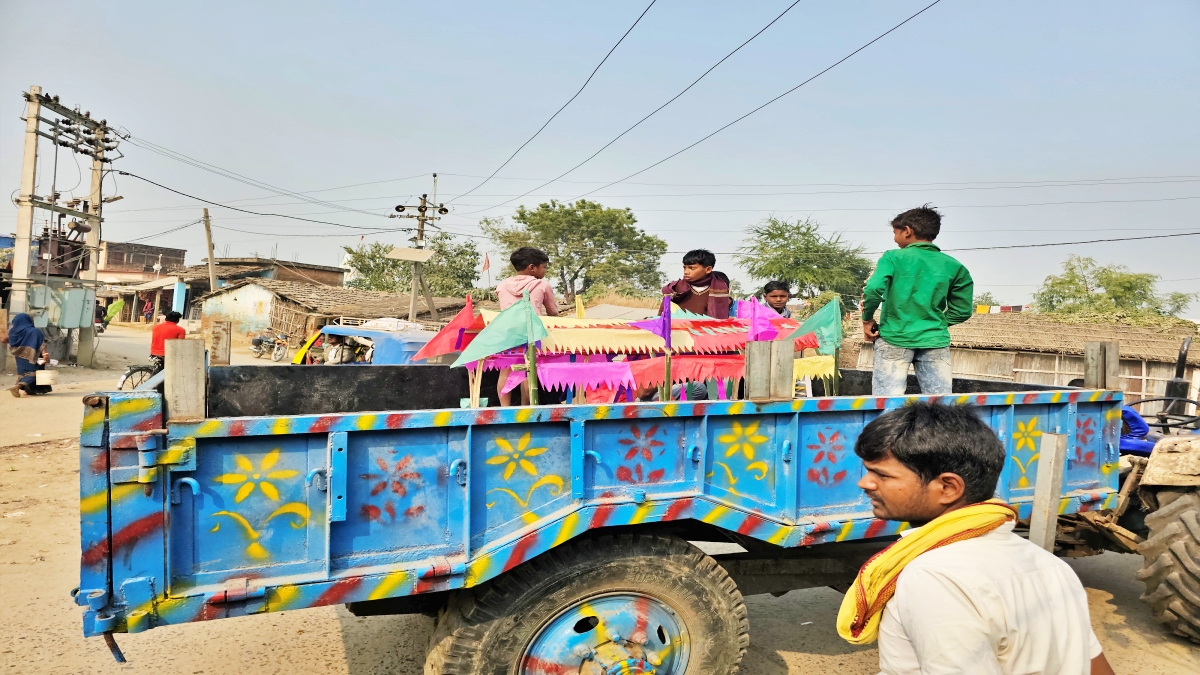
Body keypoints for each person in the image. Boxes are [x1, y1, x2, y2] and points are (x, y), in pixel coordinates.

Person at [839, 401, 1114, 675]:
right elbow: (1096, 667)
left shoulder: (935, 576)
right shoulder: (1050, 565)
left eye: (882, 474)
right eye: (868, 471)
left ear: (948, 487)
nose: (865, 483)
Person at [861, 205, 973, 396]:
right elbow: (962, 310)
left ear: (907, 231)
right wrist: (934, 323)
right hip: (934, 340)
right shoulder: (955, 266)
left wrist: (867, 319)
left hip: (894, 338)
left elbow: (872, 289)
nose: (894, 238)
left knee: (888, 403)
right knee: (940, 404)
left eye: (895, 232)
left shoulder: (893, 257)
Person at [496, 247, 560, 406]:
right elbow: (553, 312)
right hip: (531, 333)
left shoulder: (502, 285)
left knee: (505, 370)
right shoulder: (542, 285)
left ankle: (505, 408)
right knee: (528, 370)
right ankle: (527, 406)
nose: (544, 271)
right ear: (532, 267)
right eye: (544, 267)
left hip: (507, 333)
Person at [662, 249, 731, 318]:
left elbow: (724, 311)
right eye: (685, 268)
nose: (686, 272)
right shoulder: (675, 288)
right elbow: (662, 315)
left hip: (709, 328)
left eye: (691, 268)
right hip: (681, 328)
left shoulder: (720, 289)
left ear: (708, 269)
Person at [8, 313, 52, 397]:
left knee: (24, 373)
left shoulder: (12, 332)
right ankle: (17, 386)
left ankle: (29, 391)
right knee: (34, 373)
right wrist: (45, 355)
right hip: (33, 356)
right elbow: (41, 344)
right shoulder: (34, 331)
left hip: (20, 357)